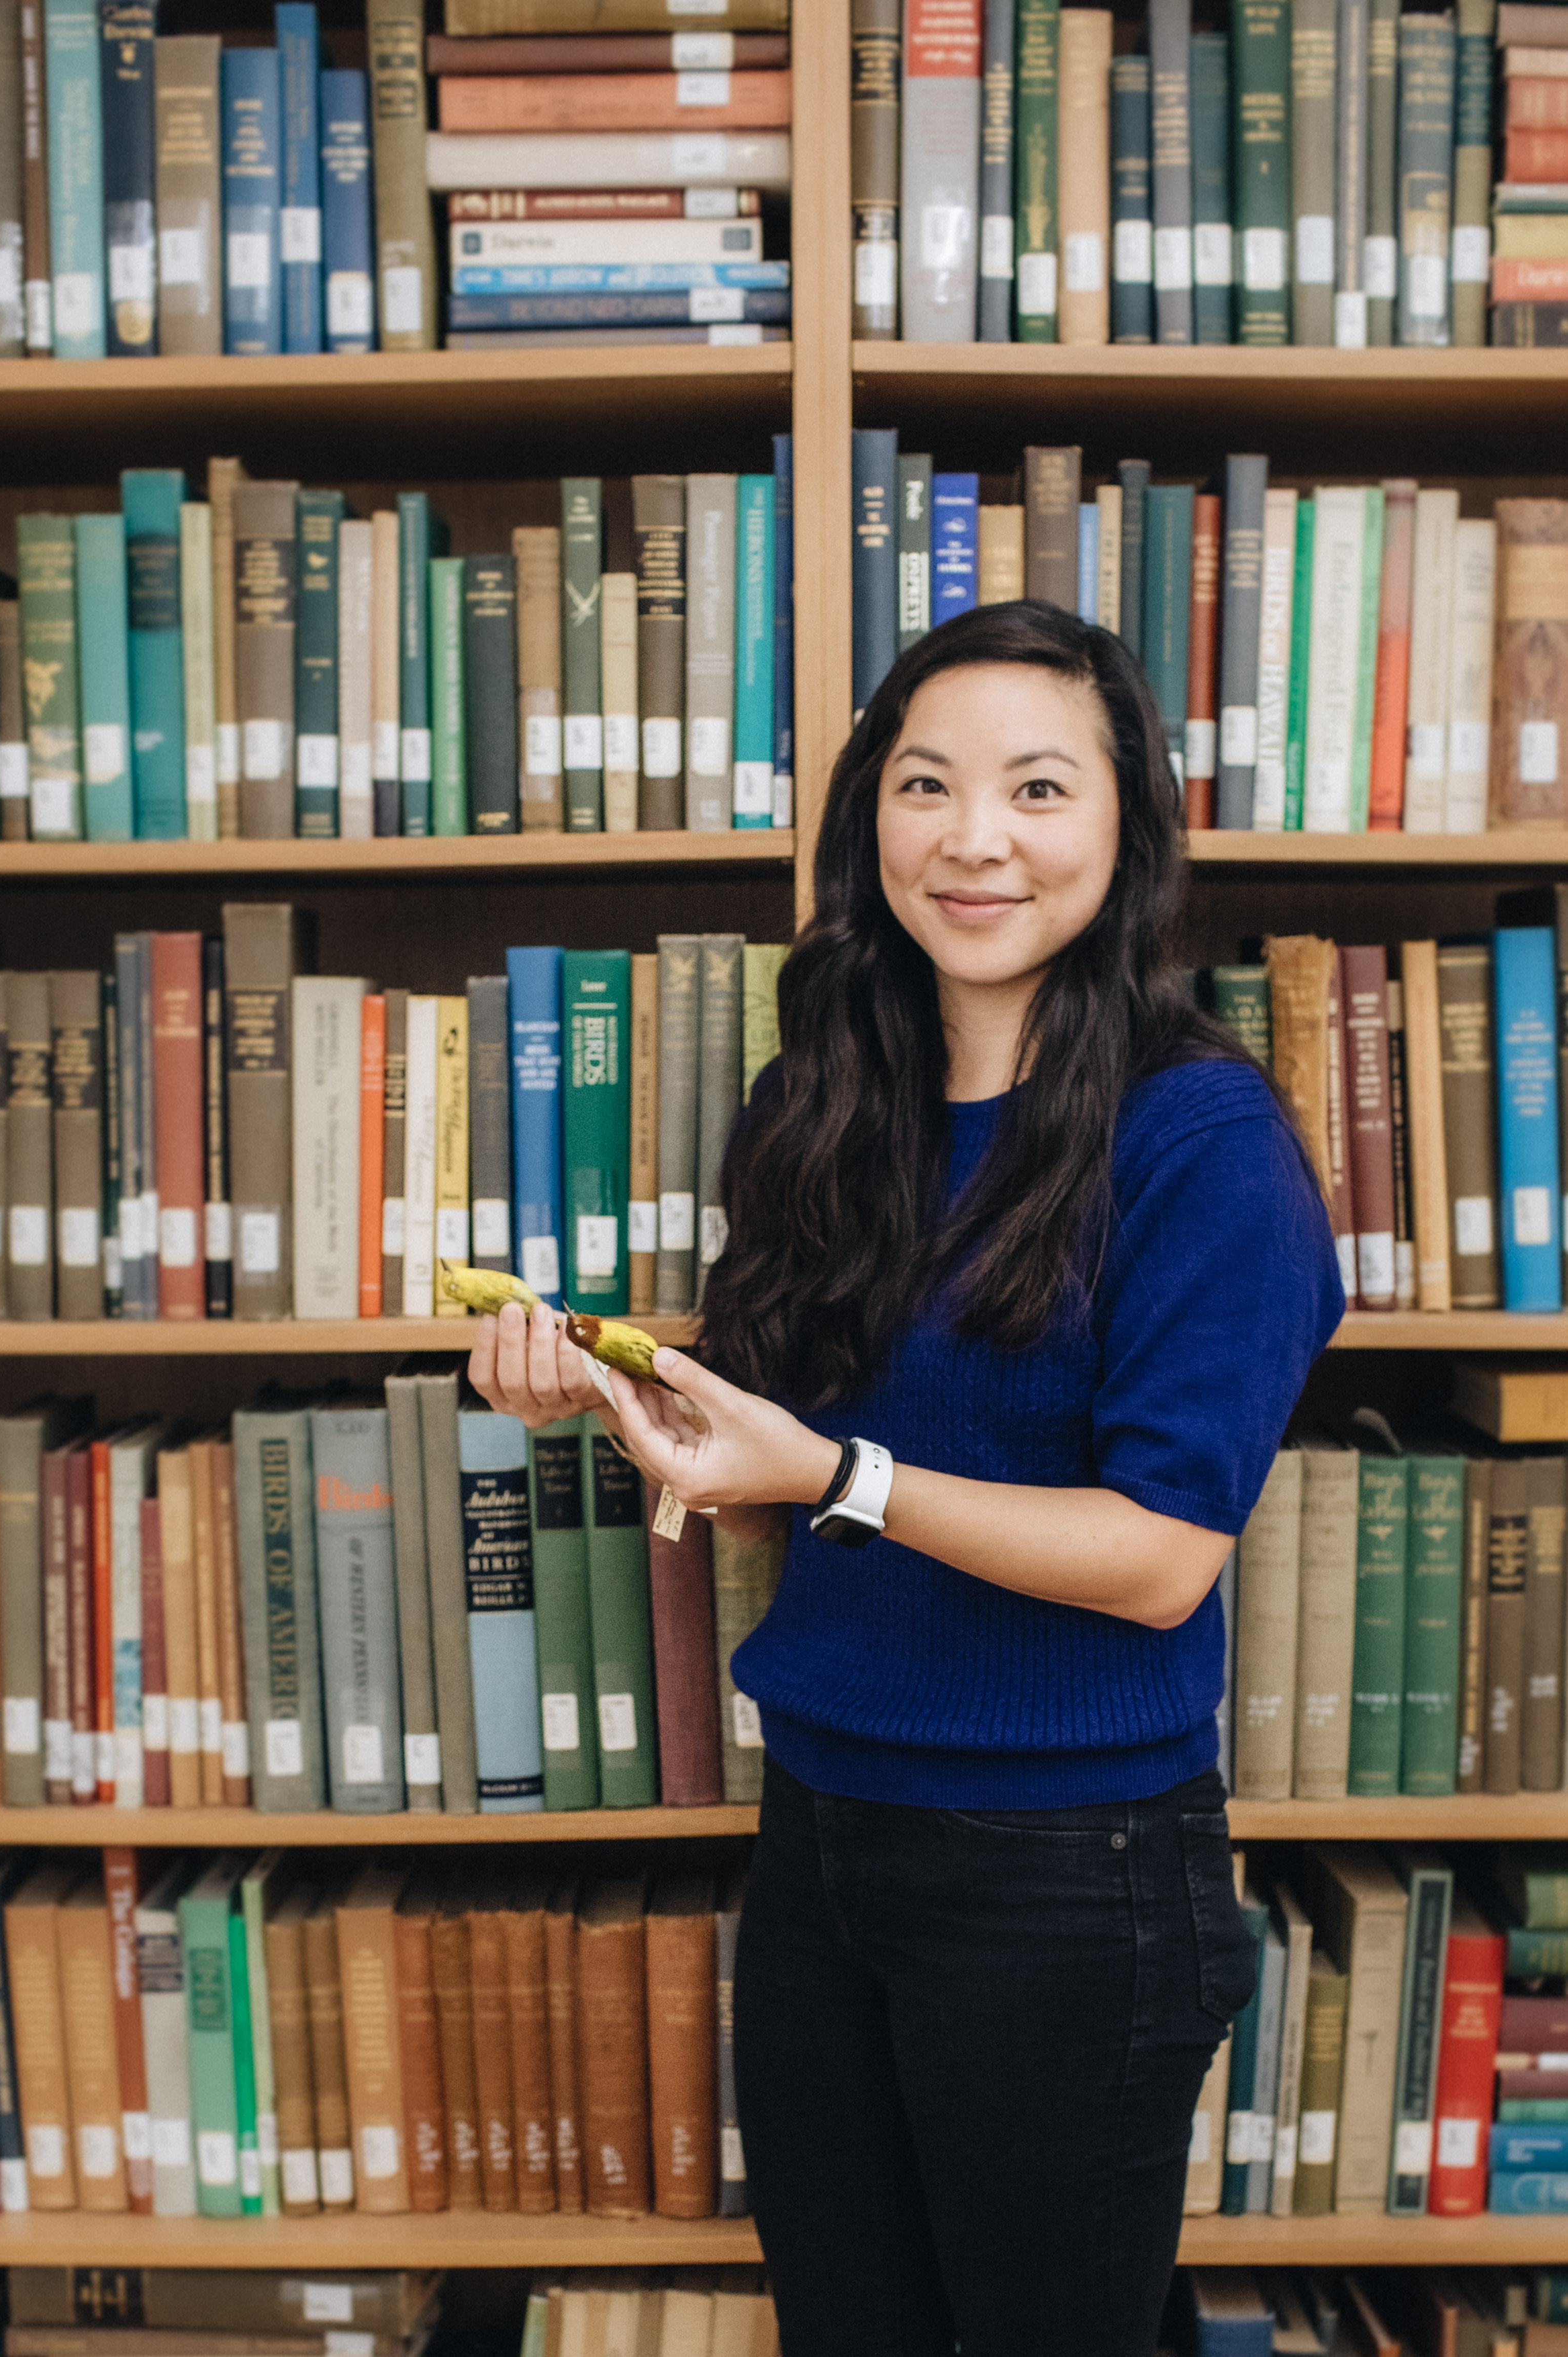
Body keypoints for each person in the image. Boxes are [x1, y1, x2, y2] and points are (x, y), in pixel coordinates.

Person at [468, 599, 1344, 2357]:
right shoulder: (827, 1093)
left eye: (1037, 788)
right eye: (926, 784)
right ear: (872, 812)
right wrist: (598, 1380)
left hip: (1068, 1878)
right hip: (823, 1844)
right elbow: (775, 1410)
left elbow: (1162, 1552)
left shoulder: (1201, 1143)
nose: (975, 839)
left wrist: (837, 1475)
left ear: (1127, 824)